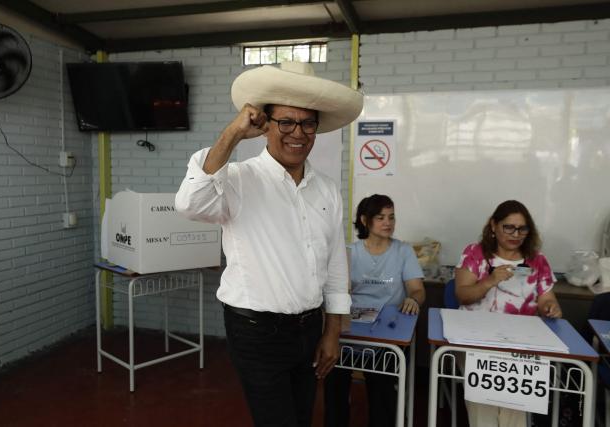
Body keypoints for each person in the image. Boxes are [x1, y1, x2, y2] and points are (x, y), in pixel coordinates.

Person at [175, 61, 363, 427]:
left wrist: (332, 331)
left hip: (310, 328)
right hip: (256, 332)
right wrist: (232, 133)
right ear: (264, 125)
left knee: (303, 415)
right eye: (286, 122)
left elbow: (335, 264)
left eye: (307, 123)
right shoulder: (239, 180)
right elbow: (190, 203)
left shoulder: (325, 188)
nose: (298, 133)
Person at [454, 199, 562, 427]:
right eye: (508, 227)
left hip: (521, 343)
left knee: (515, 405)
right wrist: (490, 281)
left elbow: (547, 299)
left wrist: (550, 308)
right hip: (476, 340)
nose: (516, 234)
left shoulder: (537, 261)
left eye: (522, 228)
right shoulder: (475, 254)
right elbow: (463, 295)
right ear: (494, 226)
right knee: (484, 400)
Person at [324, 194, 425, 427]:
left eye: (391, 217)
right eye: (380, 217)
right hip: (352, 330)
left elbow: (417, 290)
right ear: (365, 220)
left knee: (382, 386)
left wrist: (413, 300)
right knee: (333, 377)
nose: (388, 222)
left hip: (386, 334)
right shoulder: (349, 251)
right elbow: (340, 291)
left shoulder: (403, 251)